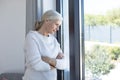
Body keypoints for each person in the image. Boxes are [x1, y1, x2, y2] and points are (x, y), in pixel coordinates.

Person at [22, 10, 66, 80]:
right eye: (56, 24)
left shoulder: (54, 40)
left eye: (59, 26)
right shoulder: (32, 37)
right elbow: (36, 65)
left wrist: (49, 60)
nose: (57, 29)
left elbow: (64, 64)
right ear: (47, 20)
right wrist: (55, 65)